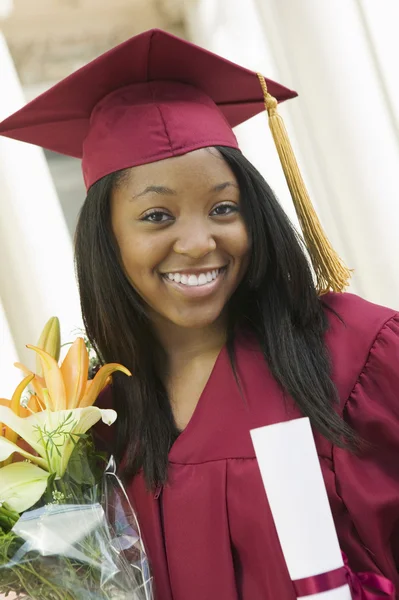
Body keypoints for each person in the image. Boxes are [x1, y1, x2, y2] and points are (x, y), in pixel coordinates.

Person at [1, 28, 398, 600]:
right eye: (157, 215)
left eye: (222, 207)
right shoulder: (92, 425)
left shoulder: (356, 354)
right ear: (105, 240)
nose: (197, 242)